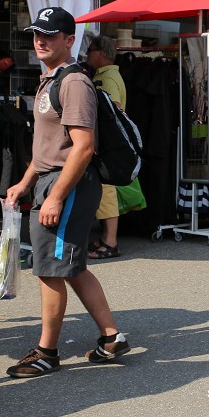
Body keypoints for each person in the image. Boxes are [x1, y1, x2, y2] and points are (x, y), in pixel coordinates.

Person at [4, 8, 130, 378]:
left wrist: (56, 196)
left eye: (50, 35)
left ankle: (47, 352)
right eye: (36, 33)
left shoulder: (74, 82)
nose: (41, 40)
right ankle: (111, 337)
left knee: (50, 270)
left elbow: (83, 146)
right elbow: (47, 146)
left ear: (69, 41)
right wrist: (26, 182)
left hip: (67, 184)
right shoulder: (51, 79)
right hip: (54, 181)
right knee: (70, 267)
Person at [85, 35, 127, 261]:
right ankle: (106, 238)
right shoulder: (105, 75)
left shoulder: (108, 78)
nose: (87, 54)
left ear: (101, 53)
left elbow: (113, 110)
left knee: (107, 192)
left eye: (90, 50)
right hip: (106, 143)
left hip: (107, 144)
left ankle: (111, 241)